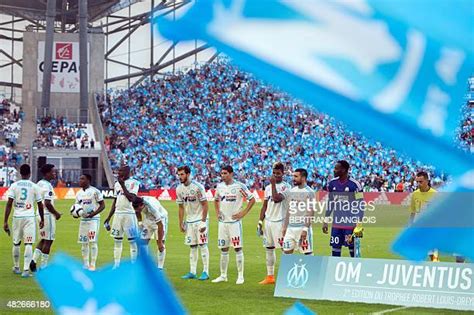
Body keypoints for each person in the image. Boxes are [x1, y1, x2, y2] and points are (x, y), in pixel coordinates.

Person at [212, 166, 255, 285]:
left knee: (237, 248)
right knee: (223, 249)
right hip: (223, 223)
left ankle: (240, 276)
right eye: (221, 173)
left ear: (231, 174)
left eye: (225, 173)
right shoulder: (220, 187)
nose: (223, 175)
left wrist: (243, 212)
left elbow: (252, 199)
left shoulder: (239, 186)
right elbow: (216, 200)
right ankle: (223, 275)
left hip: (234, 223)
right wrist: (217, 213)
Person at [3, 164, 44, 277]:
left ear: (20, 173)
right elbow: (40, 205)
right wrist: (42, 219)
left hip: (17, 217)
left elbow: (9, 204)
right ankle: (26, 270)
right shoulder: (34, 186)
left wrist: (5, 221)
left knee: (16, 243)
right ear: (30, 173)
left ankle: (16, 267)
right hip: (29, 217)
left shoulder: (14, 185)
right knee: (28, 243)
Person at [257, 162, 291, 285]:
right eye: (274, 173)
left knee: (284, 249)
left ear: (283, 174)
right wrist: (260, 222)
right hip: (269, 222)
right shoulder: (267, 188)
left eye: (278, 173)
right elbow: (265, 206)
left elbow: (276, 199)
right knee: (269, 249)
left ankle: (287, 276)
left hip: (280, 222)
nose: (276, 176)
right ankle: (270, 276)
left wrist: (272, 184)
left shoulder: (286, 187)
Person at [322, 160, 363, 257]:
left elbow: (360, 204)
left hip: (351, 223)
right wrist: (326, 220)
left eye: (336, 168)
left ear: (344, 170)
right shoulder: (332, 183)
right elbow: (331, 202)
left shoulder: (355, 185)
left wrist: (359, 224)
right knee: (335, 249)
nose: (334, 170)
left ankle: (356, 270)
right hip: (336, 224)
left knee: (353, 251)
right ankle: (335, 270)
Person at [176, 166, 210, 280]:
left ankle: (206, 271)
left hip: (200, 219)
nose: (180, 177)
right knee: (192, 246)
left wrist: (203, 222)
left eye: (182, 174)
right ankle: (192, 271)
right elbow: (181, 207)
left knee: (203, 245)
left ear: (188, 174)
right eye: (179, 174)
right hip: (190, 220)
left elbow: (205, 204)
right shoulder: (179, 189)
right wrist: (181, 222)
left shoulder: (197, 187)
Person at [104, 166, 140, 269]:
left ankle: (134, 265)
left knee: (132, 241)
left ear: (127, 172)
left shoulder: (134, 183)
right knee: (117, 240)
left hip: (129, 214)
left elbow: (132, 198)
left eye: (121, 171)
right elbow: (115, 201)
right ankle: (116, 265)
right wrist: (109, 217)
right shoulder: (116, 185)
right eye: (118, 171)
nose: (118, 173)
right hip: (118, 215)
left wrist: (123, 185)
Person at [30, 164, 62, 272]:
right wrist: (56, 213)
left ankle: (33, 261)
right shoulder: (48, 186)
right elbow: (48, 203)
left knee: (43, 239)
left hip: (39, 214)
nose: (55, 173)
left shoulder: (39, 183)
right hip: (47, 215)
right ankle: (43, 267)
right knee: (48, 241)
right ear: (47, 173)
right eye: (53, 172)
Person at [280, 168, 315, 256]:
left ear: (303, 178)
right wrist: (285, 227)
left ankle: (312, 270)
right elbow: (289, 210)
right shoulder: (292, 191)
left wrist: (305, 229)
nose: (293, 178)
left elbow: (310, 212)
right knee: (286, 254)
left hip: (302, 228)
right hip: (290, 228)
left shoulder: (310, 192)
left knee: (308, 255)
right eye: (293, 176)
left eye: (296, 176)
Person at [75, 174, 105, 271]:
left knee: (92, 241)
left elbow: (102, 205)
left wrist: (93, 214)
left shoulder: (95, 191)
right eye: (80, 178)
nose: (80, 180)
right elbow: (77, 207)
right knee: (84, 243)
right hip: (83, 220)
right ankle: (86, 264)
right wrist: (76, 214)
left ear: (88, 180)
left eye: (82, 179)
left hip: (94, 219)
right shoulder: (78, 193)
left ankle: (93, 265)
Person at [409, 171, 438, 262]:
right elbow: (413, 212)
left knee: (433, 256)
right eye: (417, 182)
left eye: (420, 182)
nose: (418, 184)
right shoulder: (415, 194)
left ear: (427, 181)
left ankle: (435, 270)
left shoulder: (435, 194)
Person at [132, 196, 168, 269]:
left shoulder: (152, 208)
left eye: (137, 208)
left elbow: (160, 225)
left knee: (160, 244)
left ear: (142, 205)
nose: (137, 210)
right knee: (143, 242)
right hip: (148, 219)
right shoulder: (137, 202)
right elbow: (137, 212)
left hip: (161, 219)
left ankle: (160, 268)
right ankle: (146, 266)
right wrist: (140, 223)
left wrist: (160, 242)